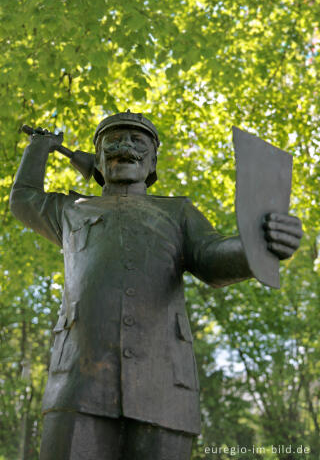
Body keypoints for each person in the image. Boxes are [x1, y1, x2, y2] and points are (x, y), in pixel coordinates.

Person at [10, 111, 303, 459]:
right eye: (113, 141)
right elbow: (23, 198)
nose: (124, 147)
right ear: (99, 159)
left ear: (153, 163)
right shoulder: (70, 209)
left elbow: (210, 256)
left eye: (137, 142)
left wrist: (258, 245)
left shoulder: (178, 213)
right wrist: (40, 147)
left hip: (164, 384)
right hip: (77, 382)